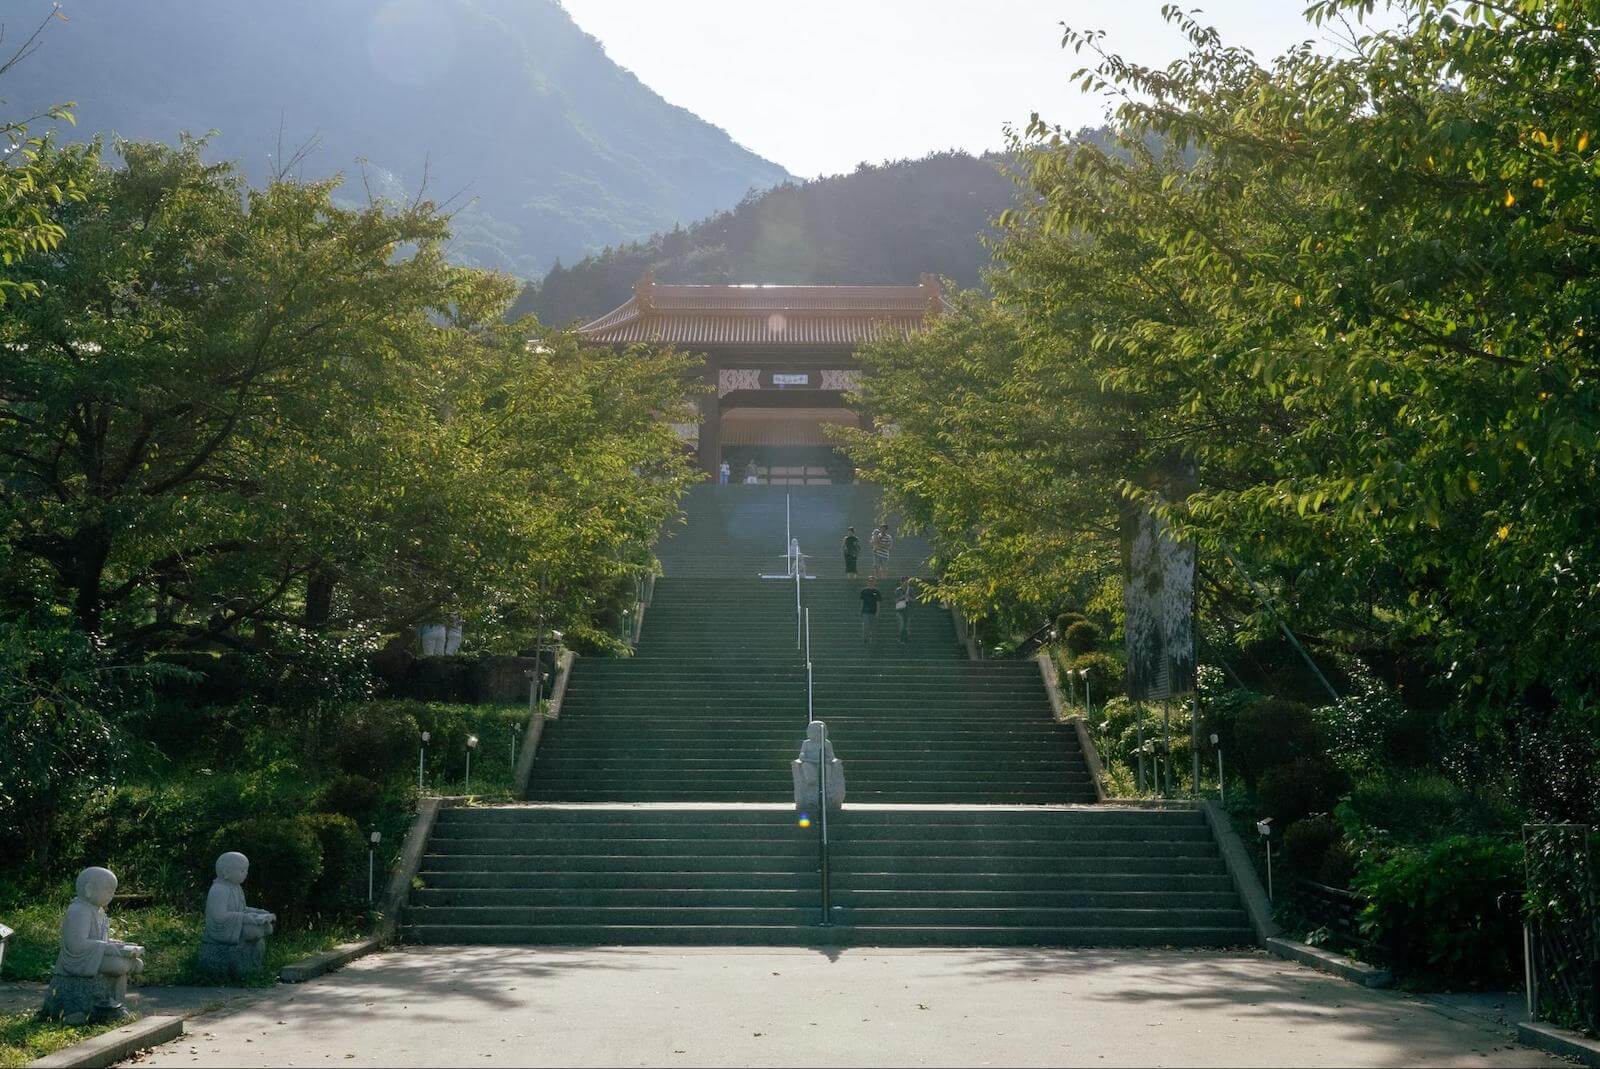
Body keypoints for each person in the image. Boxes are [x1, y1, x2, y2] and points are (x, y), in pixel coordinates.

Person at [859, 577, 881, 646]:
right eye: (869, 581)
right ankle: (865, 639)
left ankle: (873, 641)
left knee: (873, 627)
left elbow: (878, 603)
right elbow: (862, 601)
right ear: (867, 582)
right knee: (866, 626)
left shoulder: (877, 591)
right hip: (865, 611)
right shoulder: (864, 591)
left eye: (872, 581)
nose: (871, 582)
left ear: (874, 582)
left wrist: (878, 612)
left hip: (873, 611)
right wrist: (861, 610)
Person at [894, 576, 914, 643]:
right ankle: (900, 638)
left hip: (908, 609)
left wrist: (909, 598)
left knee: (907, 625)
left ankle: (906, 639)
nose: (906, 583)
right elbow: (895, 600)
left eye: (907, 581)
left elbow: (914, 600)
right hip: (899, 610)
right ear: (901, 582)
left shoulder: (911, 590)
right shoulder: (898, 590)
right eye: (904, 581)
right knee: (901, 624)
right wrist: (902, 597)